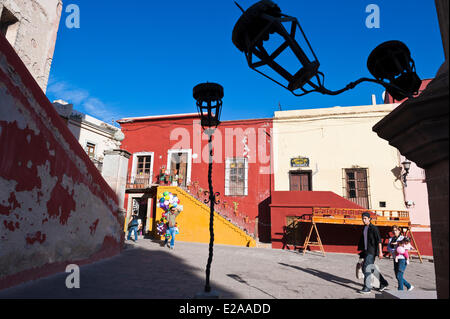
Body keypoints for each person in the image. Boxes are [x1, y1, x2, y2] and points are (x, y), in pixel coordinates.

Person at [357, 212, 389, 294]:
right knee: (371, 268)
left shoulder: (374, 228)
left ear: (369, 219)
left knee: (366, 268)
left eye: (365, 218)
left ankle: (367, 287)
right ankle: (383, 283)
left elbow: (379, 241)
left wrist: (380, 252)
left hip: (372, 251)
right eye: (363, 218)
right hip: (366, 251)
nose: (364, 220)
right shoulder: (364, 228)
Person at [388, 226, 414, 291]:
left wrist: (401, 246)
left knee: (399, 274)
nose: (394, 232)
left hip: (402, 258)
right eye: (393, 230)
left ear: (399, 231)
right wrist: (394, 250)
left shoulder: (403, 238)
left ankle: (400, 291)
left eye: (396, 230)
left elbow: (408, 246)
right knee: (397, 276)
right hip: (395, 258)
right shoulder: (391, 239)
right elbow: (388, 248)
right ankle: (409, 286)